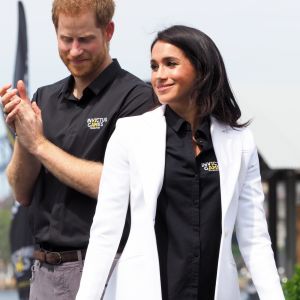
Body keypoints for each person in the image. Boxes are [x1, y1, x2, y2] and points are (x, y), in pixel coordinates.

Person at [75, 25, 285, 300]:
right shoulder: (130, 134)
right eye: (154, 66)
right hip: (145, 290)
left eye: (170, 64)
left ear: (201, 69)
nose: (159, 75)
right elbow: (105, 232)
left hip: (215, 291)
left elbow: (255, 237)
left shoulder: (240, 142)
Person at [0, 0, 154, 299]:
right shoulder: (45, 97)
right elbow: (21, 192)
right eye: (66, 39)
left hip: (108, 270)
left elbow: (118, 183)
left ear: (108, 31)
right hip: (43, 272)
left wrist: (40, 145)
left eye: (85, 40)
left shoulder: (137, 99)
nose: (74, 50)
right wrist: (23, 134)